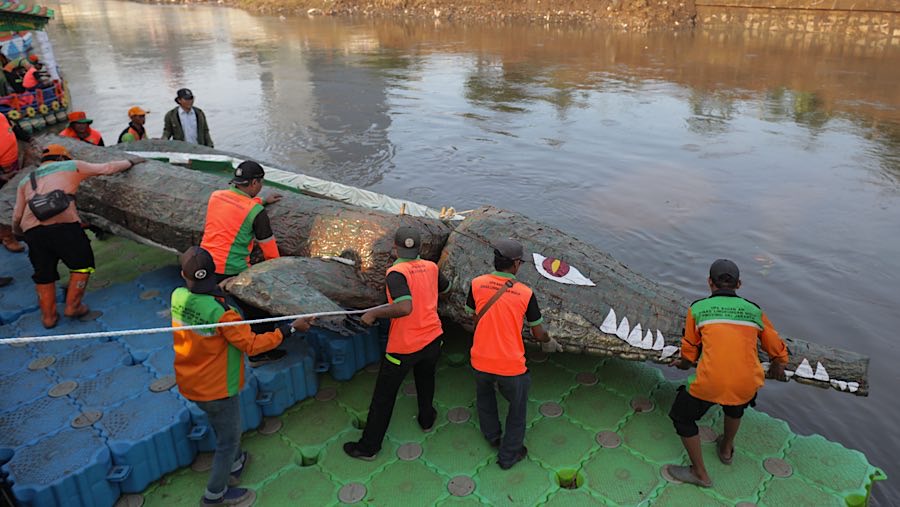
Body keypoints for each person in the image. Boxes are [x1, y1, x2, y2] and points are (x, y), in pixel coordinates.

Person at [172, 246, 314, 506]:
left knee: (221, 425)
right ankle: (214, 495)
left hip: (189, 381)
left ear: (183, 274)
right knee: (228, 439)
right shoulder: (224, 314)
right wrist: (289, 329)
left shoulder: (177, 297)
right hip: (217, 388)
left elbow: (200, 302)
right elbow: (252, 345)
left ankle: (236, 463)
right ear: (213, 273)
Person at [666, 259, 789, 488]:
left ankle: (699, 473)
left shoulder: (698, 308)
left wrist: (682, 364)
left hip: (711, 382)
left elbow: (689, 352)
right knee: (736, 402)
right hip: (746, 382)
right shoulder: (753, 310)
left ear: (709, 283)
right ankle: (726, 449)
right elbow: (774, 344)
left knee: (681, 416)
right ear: (739, 284)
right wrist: (779, 363)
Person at [343, 226, 451, 460]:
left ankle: (369, 447)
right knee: (426, 380)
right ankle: (426, 419)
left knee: (384, 395)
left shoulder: (396, 272)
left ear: (395, 248)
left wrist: (373, 313)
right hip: (433, 338)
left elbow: (404, 307)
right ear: (421, 248)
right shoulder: (432, 267)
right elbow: (447, 288)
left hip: (404, 346)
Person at [11, 144, 144, 328]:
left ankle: (48, 318)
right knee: (83, 264)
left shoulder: (26, 179)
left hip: (32, 231)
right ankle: (73, 306)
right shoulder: (71, 166)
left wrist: (18, 233)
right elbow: (107, 168)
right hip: (64, 226)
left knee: (44, 274)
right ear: (62, 158)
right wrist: (131, 161)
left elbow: (17, 214)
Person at [466, 238, 561, 470]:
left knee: (485, 397)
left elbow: (471, 314)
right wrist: (549, 341)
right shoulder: (525, 293)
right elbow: (538, 333)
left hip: (480, 359)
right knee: (517, 410)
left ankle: (492, 436)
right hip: (510, 365)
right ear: (516, 264)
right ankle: (508, 455)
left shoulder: (476, 283)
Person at [200, 161, 283, 365]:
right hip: (232, 270)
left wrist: (261, 201)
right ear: (254, 182)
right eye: (260, 182)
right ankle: (259, 353)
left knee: (217, 308)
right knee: (260, 309)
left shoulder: (216, 197)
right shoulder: (256, 213)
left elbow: (237, 206)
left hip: (204, 264)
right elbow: (270, 252)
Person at [0, 111, 41, 253]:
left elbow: (15, 129)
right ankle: (7, 237)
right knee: (2, 203)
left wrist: (30, 139)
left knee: (17, 196)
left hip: (12, 163)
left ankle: (18, 227)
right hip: (1, 172)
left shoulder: (2, 116)